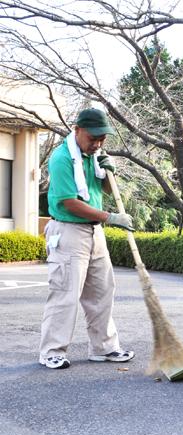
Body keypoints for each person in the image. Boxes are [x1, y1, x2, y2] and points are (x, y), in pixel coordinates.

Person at [40, 108, 136, 370]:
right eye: (93, 138)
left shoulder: (94, 157)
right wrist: (110, 217)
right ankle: (52, 351)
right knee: (65, 294)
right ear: (77, 130)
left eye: (102, 138)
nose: (98, 143)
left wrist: (109, 173)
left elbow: (103, 188)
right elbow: (68, 202)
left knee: (102, 291)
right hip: (69, 231)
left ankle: (104, 348)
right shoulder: (62, 158)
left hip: (95, 232)